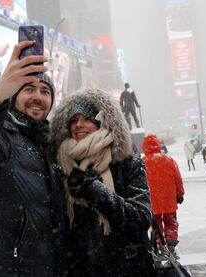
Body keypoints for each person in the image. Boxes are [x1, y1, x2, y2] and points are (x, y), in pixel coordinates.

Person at [0, 41, 68, 277]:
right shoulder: (0, 139)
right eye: (28, 89)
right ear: (14, 95)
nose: (37, 97)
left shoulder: (51, 146)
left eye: (45, 91)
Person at [50, 88, 156, 276]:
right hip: (81, 269)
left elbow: (140, 219)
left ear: (100, 123)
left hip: (127, 268)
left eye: (86, 119)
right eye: (73, 120)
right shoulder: (61, 164)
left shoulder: (126, 162)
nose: (78, 125)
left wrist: (93, 189)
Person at [142, 134, 184, 257]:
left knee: (156, 224)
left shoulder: (143, 162)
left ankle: (159, 245)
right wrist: (179, 194)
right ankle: (170, 245)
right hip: (169, 200)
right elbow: (178, 179)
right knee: (171, 222)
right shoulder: (169, 160)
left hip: (152, 201)